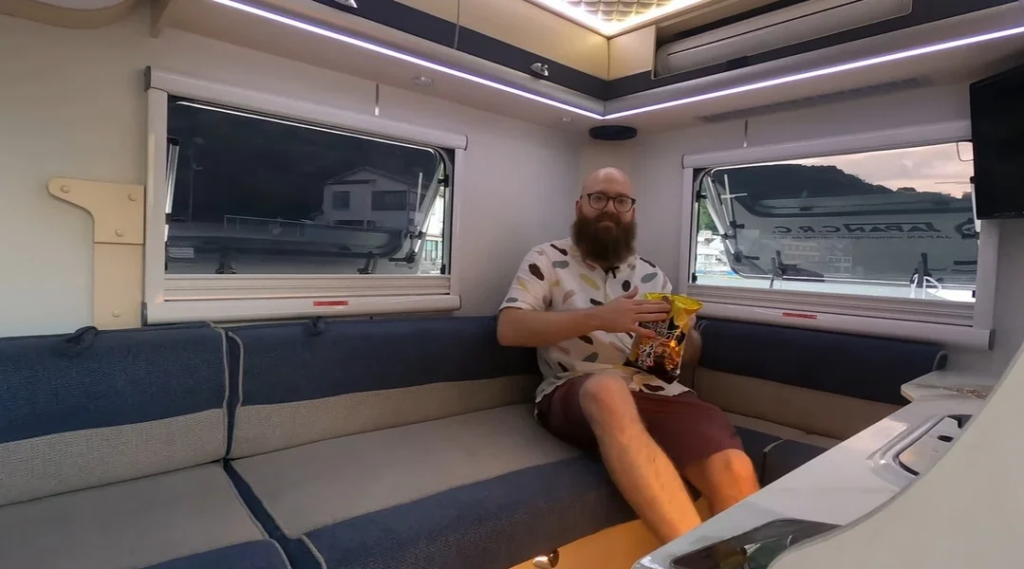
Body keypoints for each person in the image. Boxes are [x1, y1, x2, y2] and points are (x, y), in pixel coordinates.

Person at [497, 167, 760, 544]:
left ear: (632, 212)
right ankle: (686, 558)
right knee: (607, 388)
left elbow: (688, 357)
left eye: (621, 201)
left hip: (654, 389)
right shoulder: (546, 258)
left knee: (733, 465)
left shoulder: (651, 274)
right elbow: (509, 329)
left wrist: (683, 336)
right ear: (580, 207)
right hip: (577, 388)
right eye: (598, 198)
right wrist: (600, 318)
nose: (609, 208)